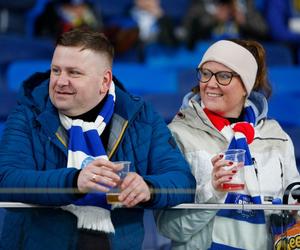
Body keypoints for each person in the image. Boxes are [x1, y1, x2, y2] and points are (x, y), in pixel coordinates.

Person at [0, 28, 196, 250]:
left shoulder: (141, 117)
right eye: (56, 70)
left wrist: (148, 188)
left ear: (104, 81)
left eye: (74, 73)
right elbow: (7, 180)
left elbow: (183, 181)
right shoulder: (28, 114)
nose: (60, 81)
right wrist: (74, 182)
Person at [156, 39, 300, 249]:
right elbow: (170, 227)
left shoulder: (276, 136)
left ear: (246, 87)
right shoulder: (178, 135)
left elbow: (293, 198)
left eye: (224, 76)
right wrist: (212, 191)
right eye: (206, 73)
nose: (210, 83)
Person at [182, 0, 269, 49]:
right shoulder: (202, 4)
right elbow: (188, 30)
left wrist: (244, 22)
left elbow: (263, 30)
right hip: (208, 52)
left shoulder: (245, 4)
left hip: (239, 53)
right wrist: (213, 19)